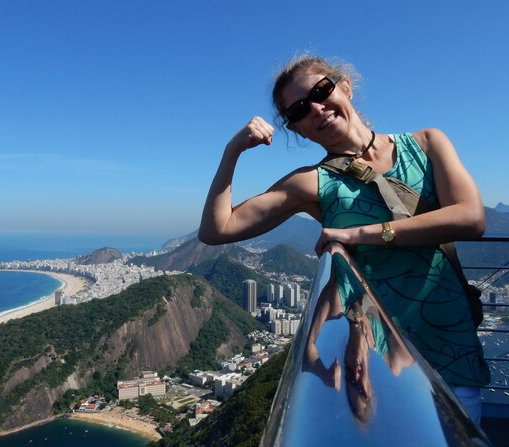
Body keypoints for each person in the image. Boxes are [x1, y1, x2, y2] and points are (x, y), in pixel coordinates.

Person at [198, 54, 490, 423]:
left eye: (322, 91)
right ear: (298, 130)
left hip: (451, 349)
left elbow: (470, 217)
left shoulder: (427, 143)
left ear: (346, 87)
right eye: (299, 111)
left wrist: (358, 234)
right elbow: (215, 230)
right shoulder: (311, 183)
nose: (317, 109)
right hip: (377, 361)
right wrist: (232, 151)